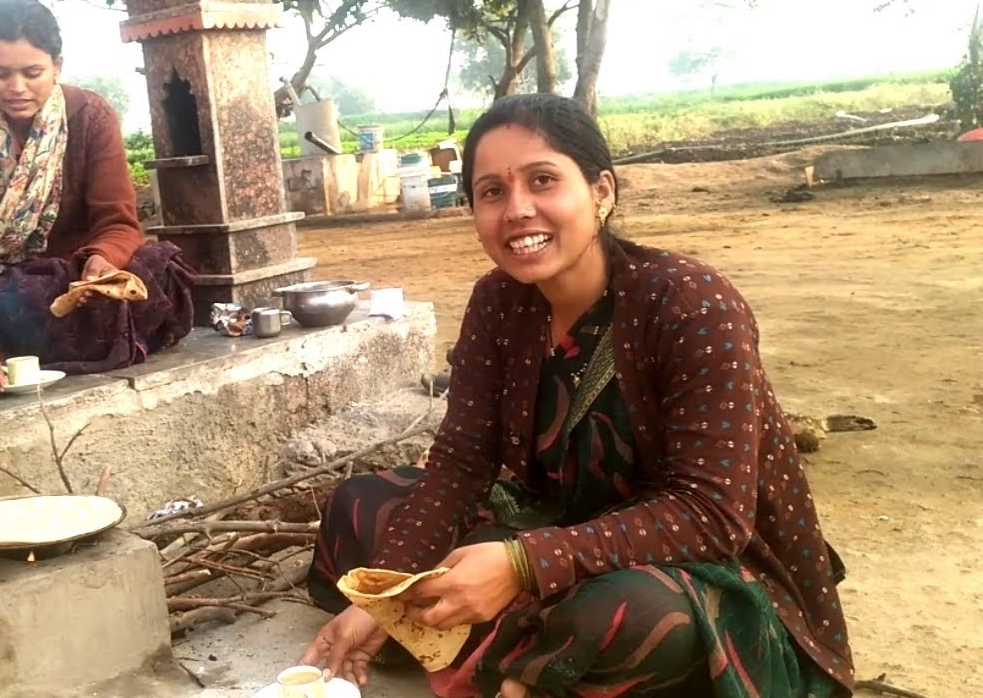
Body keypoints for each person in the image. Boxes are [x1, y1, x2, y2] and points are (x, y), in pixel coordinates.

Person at [301, 94, 854, 698]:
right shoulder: (498, 302)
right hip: (559, 522)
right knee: (356, 505)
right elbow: (461, 461)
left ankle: (528, 646)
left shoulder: (691, 303)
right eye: (491, 192)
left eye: (543, 181)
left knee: (624, 616)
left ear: (602, 192)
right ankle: (515, 643)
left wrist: (522, 564)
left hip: (694, 559)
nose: (517, 210)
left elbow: (712, 514)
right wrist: (387, 592)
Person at [0, 0, 194, 391]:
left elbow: (118, 222)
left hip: (71, 280)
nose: (17, 88)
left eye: (33, 72)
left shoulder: (90, 116)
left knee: (159, 272)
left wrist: (101, 262)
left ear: (57, 66)